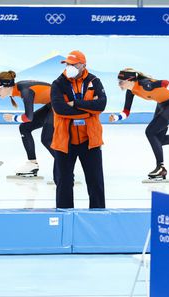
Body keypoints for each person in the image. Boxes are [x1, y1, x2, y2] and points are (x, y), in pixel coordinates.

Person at [109, 68, 169, 181]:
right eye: (118, 81)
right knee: (158, 140)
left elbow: (165, 83)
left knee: (150, 132)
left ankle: (161, 167)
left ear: (131, 80)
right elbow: (126, 112)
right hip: (162, 105)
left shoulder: (145, 84)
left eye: (121, 81)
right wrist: (116, 117)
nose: (119, 84)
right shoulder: (130, 91)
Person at [50, 50, 106, 209]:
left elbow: (101, 105)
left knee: (96, 183)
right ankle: (64, 216)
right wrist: (89, 112)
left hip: (90, 141)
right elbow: (60, 109)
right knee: (64, 184)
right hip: (64, 142)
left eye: (73, 64)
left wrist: (74, 104)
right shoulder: (58, 83)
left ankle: (98, 216)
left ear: (83, 65)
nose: (69, 67)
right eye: (67, 64)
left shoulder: (94, 81)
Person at [0, 71, 57, 180]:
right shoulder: (19, 89)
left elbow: (29, 117)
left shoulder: (25, 91)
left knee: (46, 139)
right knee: (24, 127)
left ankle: (66, 170)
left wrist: (14, 118)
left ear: (7, 86)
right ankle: (32, 164)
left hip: (60, 105)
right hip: (52, 105)